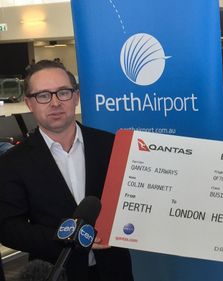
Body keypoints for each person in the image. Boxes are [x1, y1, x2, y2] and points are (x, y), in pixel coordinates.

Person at [0, 60, 134, 281]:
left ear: (76, 96)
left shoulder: (112, 146)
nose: (55, 103)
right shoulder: (13, 162)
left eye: (63, 92)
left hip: (114, 271)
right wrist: (67, 237)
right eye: (43, 95)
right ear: (29, 103)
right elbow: (8, 228)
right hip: (56, 272)